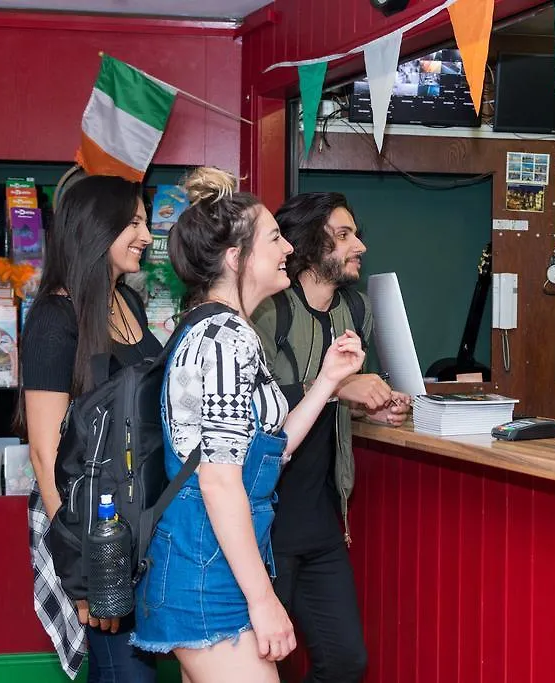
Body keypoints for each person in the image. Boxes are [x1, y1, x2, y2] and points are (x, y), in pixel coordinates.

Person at [129, 168, 365, 683]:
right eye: (274, 238)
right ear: (237, 258)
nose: (287, 248)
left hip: (220, 561)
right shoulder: (221, 339)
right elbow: (217, 480)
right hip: (205, 568)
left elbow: (266, 454)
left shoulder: (230, 330)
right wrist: (264, 602)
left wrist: (327, 380)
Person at [251, 192, 411, 683]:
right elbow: (254, 408)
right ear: (306, 246)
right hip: (266, 523)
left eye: (354, 233)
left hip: (323, 517)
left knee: (345, 661)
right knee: (257, 662)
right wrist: (341, 388)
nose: (359, 245)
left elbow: (342, 408)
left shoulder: (357, 311)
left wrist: (376, 410)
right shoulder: (268, 312)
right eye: (343, 235)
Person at [20, 173, 160, 681]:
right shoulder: (55, 319)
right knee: (127, 671)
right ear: (97, 229)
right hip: (89, 529)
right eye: (135, 222)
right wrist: (82, 564)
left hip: (137, 525)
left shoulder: (131, 303)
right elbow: (44, 454)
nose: (146, 235)